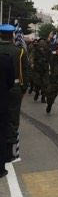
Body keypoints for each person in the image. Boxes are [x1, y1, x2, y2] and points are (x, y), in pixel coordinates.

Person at [0, 23, 29, 162]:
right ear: (12, 35)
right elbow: (25, 71)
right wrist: (24, 89)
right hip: (14, 88)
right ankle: (8, 152)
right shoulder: (20, 51)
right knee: (12, 119)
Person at [0, 52, 15, 178]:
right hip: (2, 102)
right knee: (1, 134)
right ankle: (0, 168)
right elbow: (11, 82)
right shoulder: (6, 59)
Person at [31, 37, 49, 102]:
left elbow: (51, 58)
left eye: (43, 42)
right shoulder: (35, 49)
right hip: (37, 69)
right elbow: (32, 57)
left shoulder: (47, 50)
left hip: (45, 69)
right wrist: (32, 63)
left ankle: (43, 97)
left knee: (45, 84)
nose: (42, 43)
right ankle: (37, 92)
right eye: (41, 42)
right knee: (37, 83)